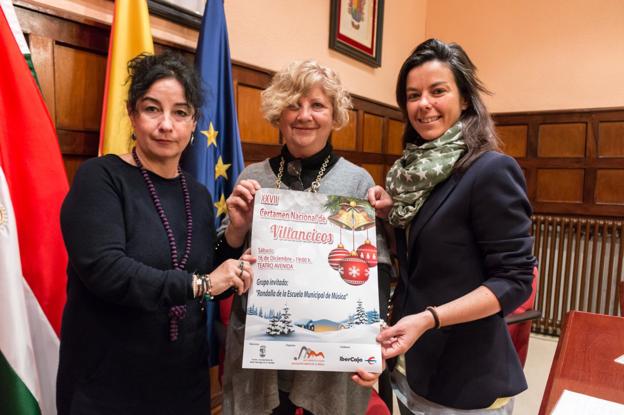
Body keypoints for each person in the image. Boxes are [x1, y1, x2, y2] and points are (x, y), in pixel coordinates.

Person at [56, 52, 255, 415]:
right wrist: (202, 285)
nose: (167, 124)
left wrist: (235, 235)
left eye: (180, 112)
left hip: (184, 383)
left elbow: (204, 266)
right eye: (152, 109)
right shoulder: (100, 178)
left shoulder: (196, 193)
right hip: (108, 385)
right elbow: (107, 270)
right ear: (132, 115)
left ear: (194, 123)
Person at [369, 39, 536, 414]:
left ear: (464, 100)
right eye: (413, 95)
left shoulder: (491, 169)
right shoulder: (413, 175)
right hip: (412, 370)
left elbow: (514, 280)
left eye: (437, 91)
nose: (423, 104)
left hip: (466, 378)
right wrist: (391, 214)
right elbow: (429, 256)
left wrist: (430, 319)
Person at [221, 60, 393, 415]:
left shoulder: (358, 183)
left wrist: (368, 344)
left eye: (317, 105)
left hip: (332, 353)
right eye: (293, 104)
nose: (304, 115)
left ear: (334, 116)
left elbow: (376, 272)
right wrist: (236, 230)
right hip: (262, 349)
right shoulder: (253, 177)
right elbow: (222, 267)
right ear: (277, 114)